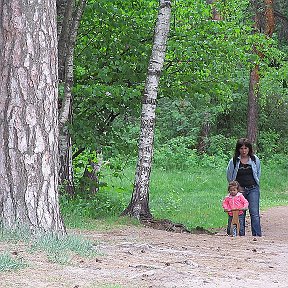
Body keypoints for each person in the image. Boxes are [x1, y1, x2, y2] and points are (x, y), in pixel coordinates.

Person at [226, 138, 262, 237]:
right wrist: (234, 189)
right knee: (240, 213)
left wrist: (255, 184)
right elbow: (229, 176)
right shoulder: (233, 161)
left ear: (249, 149)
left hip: (253, 188)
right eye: (241, 148)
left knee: (254, 213)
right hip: (239, 191)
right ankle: (239, 234)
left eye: (246, 148)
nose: (244, 151)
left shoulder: (254, 159)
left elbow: (258, 173)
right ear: (238, 149)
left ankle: (257, 235)